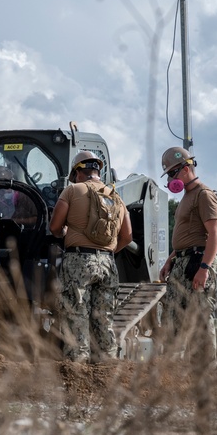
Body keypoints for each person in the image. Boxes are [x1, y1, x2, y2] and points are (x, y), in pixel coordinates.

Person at [49, 151, 133, 362]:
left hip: (79, 260)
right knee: (104, 318)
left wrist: (65, 235)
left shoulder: (72, 191)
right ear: (97, 171)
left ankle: (77, 369)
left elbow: (55, 227)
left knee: (76, 314)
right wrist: (108, 252)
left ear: (78, 172)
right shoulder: (116, 197)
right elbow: (127, 236)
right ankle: (108, 366)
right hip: (107, 263)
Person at [157, 146, 217, 363]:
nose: (171, 180)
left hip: (199, 260)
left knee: (201, 320)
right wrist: (170, 260)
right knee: (174, 318)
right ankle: (174, 373)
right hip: (183, 260)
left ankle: (204, 376)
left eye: (173, 173)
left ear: (186, 168)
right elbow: (187, 235)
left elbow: (215, 233)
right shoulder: (187, 197)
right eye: (169, 175)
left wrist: (204, 268)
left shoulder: (204, 195)